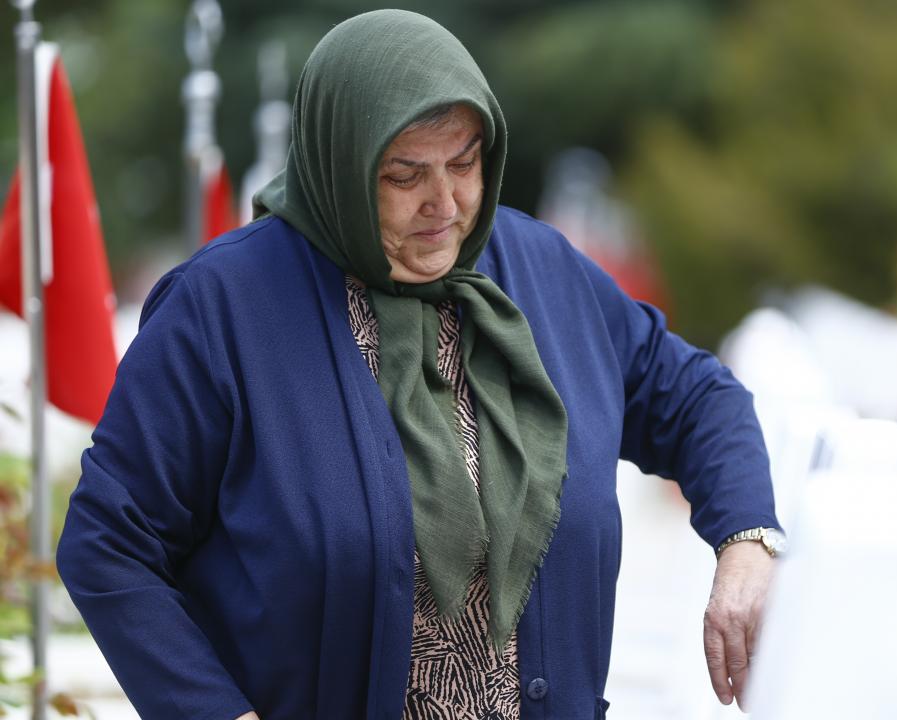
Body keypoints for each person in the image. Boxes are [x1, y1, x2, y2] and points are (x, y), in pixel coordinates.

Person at [56, 9, 781, 720]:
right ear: (340, 165)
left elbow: (698, 398)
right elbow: (108, 541)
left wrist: (745, 541)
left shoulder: (545, 275)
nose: (445, 203)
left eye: (464, 163)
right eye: (404, 175)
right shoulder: (224, 308)